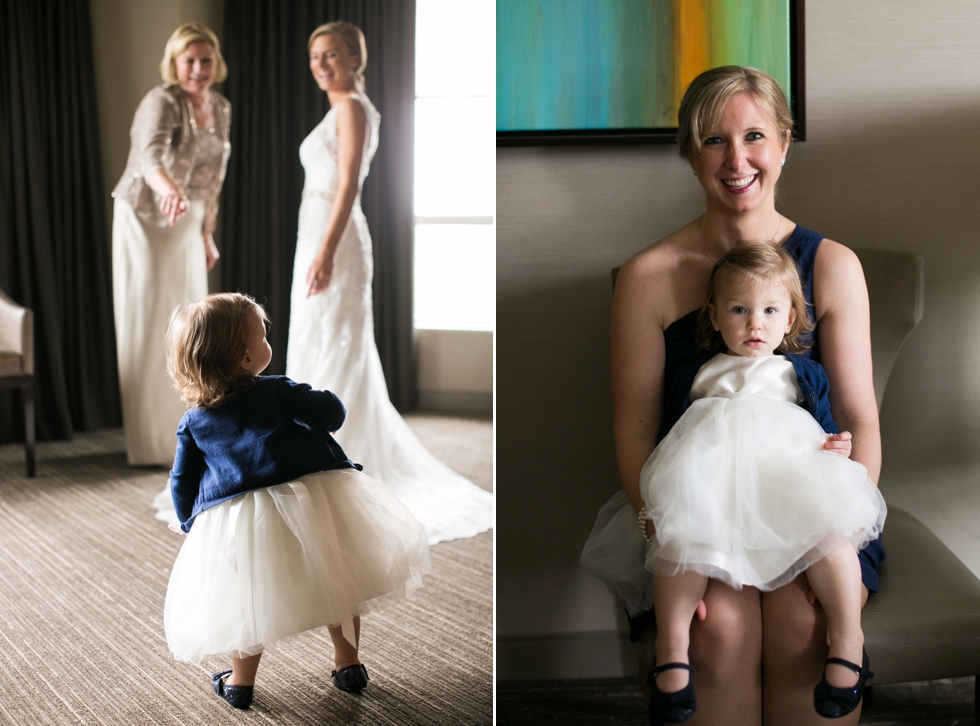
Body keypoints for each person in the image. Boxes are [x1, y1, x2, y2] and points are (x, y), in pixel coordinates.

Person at [580, 66, 885, 726]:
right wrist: (667, 532)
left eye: (753, 136)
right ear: (691, 152)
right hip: (695, 504)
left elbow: (860, 417)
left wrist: (841, 527)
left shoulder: (832, 265)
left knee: (806, 626)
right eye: (714, 141)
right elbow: (634, 430)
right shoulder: (649, 276)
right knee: (715, 632)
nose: (737, 159)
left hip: (809, 500)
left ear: (783, 141)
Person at [162, 292, 430, 710]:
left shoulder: (195, 421)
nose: (268, 339)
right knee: (337, 581)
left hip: (242, 521)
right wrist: (318, 404)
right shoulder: (278, 390)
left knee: (247, 598)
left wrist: (190, 522)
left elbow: (182, 480)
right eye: (262, 334)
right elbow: (332, 413)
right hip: (309, 500)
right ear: (247, 360)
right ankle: (348, 663)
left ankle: (240, 682)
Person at [284, 21, 493, 544]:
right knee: (316, 338)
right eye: (315, 55)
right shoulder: (340, 108)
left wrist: (326, 250)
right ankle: (307, 448)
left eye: (332, 54)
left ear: (356, 58)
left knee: (339, 343)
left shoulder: (353, 107)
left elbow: (350, 184)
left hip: (334, 238)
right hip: (315, 233)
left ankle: (333, 455)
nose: (322, 64)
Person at [112, 23, 231, 466]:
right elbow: (150, 156)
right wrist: (168, 190)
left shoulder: (220, 106)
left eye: (206, 60)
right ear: (175, 63)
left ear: (215, 62)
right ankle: (149, 442)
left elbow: (213, 178)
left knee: (190, 324)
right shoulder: (161, 100)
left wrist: (206, 232)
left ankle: (188, 433)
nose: (198, 69)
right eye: (189, 60)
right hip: (146, 217)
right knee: (150, 323)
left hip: (189, 220)